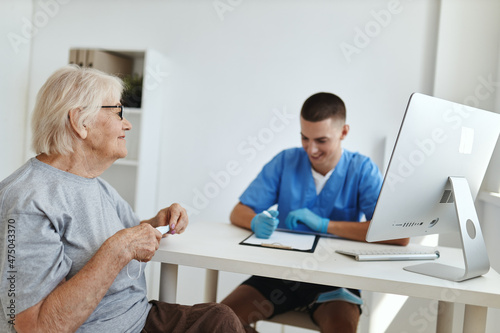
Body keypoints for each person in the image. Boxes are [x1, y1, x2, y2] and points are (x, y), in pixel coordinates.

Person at [0, 65, 245, 333]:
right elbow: (34, 327)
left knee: (221, 319)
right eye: (117, 112)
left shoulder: (94, 184)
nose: (126, 124)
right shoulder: (27, 201)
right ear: (80, 122)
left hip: (137, 317)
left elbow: (130, 231)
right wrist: (118, 250)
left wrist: (157, 222)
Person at [221, 92, 409, 332]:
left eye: (321, 140)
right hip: (278, 275)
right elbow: (238, 212)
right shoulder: (285, 161)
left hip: (335, 281)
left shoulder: (362, 169)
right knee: (219, 321)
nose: (311, 149)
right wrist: (255, 221)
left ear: (344, 132)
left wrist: (325, 225)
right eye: (304, 138)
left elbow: (397, 235)